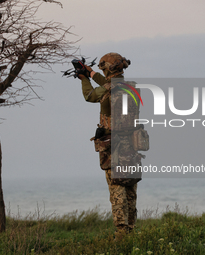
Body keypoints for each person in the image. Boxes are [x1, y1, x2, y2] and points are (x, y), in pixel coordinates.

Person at [77, 52, 142, 237]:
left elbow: (89, 95)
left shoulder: (108, 89)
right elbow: (112, 84)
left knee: (117, 189)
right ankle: (130, 230)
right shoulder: (131, 88)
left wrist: (84, 78)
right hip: (132, 146)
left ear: (107, 69)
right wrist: (90, 73)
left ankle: (121, 234)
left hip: (113, 147)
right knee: (130, 187)